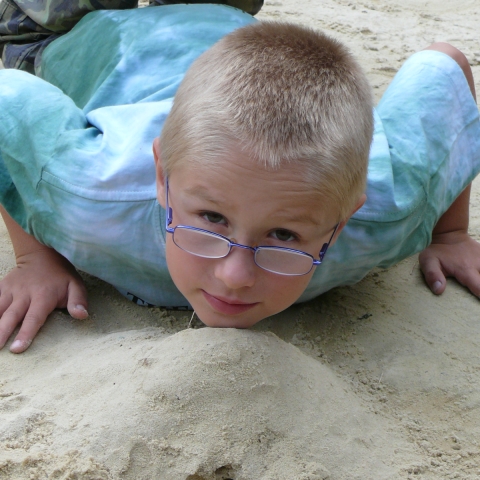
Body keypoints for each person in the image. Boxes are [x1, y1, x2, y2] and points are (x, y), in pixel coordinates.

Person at [0, 4, 480, 353]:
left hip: (229, 27)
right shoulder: (91, 192)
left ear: (341, 222)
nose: (234, 277)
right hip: (100, 41)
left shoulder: (388, 213)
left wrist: (449, 235)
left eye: (284, 235)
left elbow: (446, 67)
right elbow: (9, 98)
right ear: (162, 178)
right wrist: (36, 258)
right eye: (212, 218)